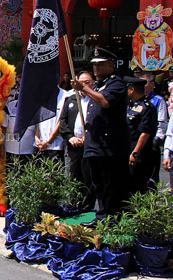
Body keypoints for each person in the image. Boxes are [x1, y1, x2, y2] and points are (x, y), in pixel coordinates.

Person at [71, 47, 130, 225]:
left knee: (110, 183)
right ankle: (102, 215)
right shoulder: (98, 85)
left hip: (109, 145)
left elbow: (104, 102)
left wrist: (84, 88)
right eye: (94, 65)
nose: (96, 68)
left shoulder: (117, 83)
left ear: (111, 65)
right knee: (98, 183)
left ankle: (112, 218)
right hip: (95, 144)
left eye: (100, 65)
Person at [59, 71, 96, 212]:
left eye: (87, 82)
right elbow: (63, 121)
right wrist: (70, 137)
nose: (83, 84)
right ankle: (74, 206)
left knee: (89, 178)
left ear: (92, 83)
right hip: (74, 145)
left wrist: (89, 137)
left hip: (89, 145)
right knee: (74, 176)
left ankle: (87, 208)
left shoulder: (95, 100)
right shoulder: (72, 99)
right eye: (81, 82)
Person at [124, 76, 158, 195]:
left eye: (126, 88)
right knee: (127, 187)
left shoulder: (147, 107)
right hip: (126, 151)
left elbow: (145, 133)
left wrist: (135, 152)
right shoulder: (129, 106)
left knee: (138, 187)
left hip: (140, 154)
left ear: (132, 89)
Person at [140, 72, 168, 185]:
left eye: (144, 83)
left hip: (151, 142)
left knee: (152, 177)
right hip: (137, 142)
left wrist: (156, 140)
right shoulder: (134, 99)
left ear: (152, 84)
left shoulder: (158, 100)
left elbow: (162, 122)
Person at [34, 86, 67, 161]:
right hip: (39, 144)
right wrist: (36, 136)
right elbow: (38, 117)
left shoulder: (65, 95)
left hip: (55, 145)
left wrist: (49, 142)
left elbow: (61, 120)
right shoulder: (40, 95)